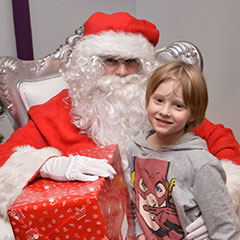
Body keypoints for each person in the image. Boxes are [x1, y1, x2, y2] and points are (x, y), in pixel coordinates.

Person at [0, 12, 239, 239]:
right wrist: (50, 165)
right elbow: (6, 157)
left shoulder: (159, 106)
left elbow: (220, 139)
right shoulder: (58, 109)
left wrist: (219, 201)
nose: (123, 72)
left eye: (131, 61)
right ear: (90, 63)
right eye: (111, 60)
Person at [129, 61, 240, 239]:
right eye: (158, 100)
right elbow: (136, 200)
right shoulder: (136, 148)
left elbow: (225, 228)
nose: (165, 111)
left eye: (178, 106)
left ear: (194, 114)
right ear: (148, 99)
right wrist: (141, 233)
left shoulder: (201, 164)